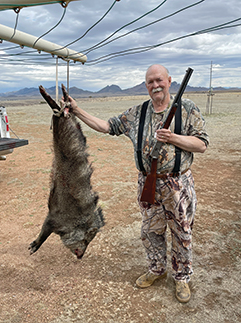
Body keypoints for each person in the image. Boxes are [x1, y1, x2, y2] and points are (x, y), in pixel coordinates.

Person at [63, 64, 209, 303]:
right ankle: (156, 270)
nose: (155, 85)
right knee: (150, 231)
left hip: (178, 185)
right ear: (146, 85)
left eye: (159, 80)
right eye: (150, 82)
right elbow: (106, 126)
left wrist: (173, 138)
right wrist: (77, 110)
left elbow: (201, 144)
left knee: (181, 232)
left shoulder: (187, 109)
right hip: (148, 183)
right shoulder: (136, 113)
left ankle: (181, 277)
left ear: (169, 81)